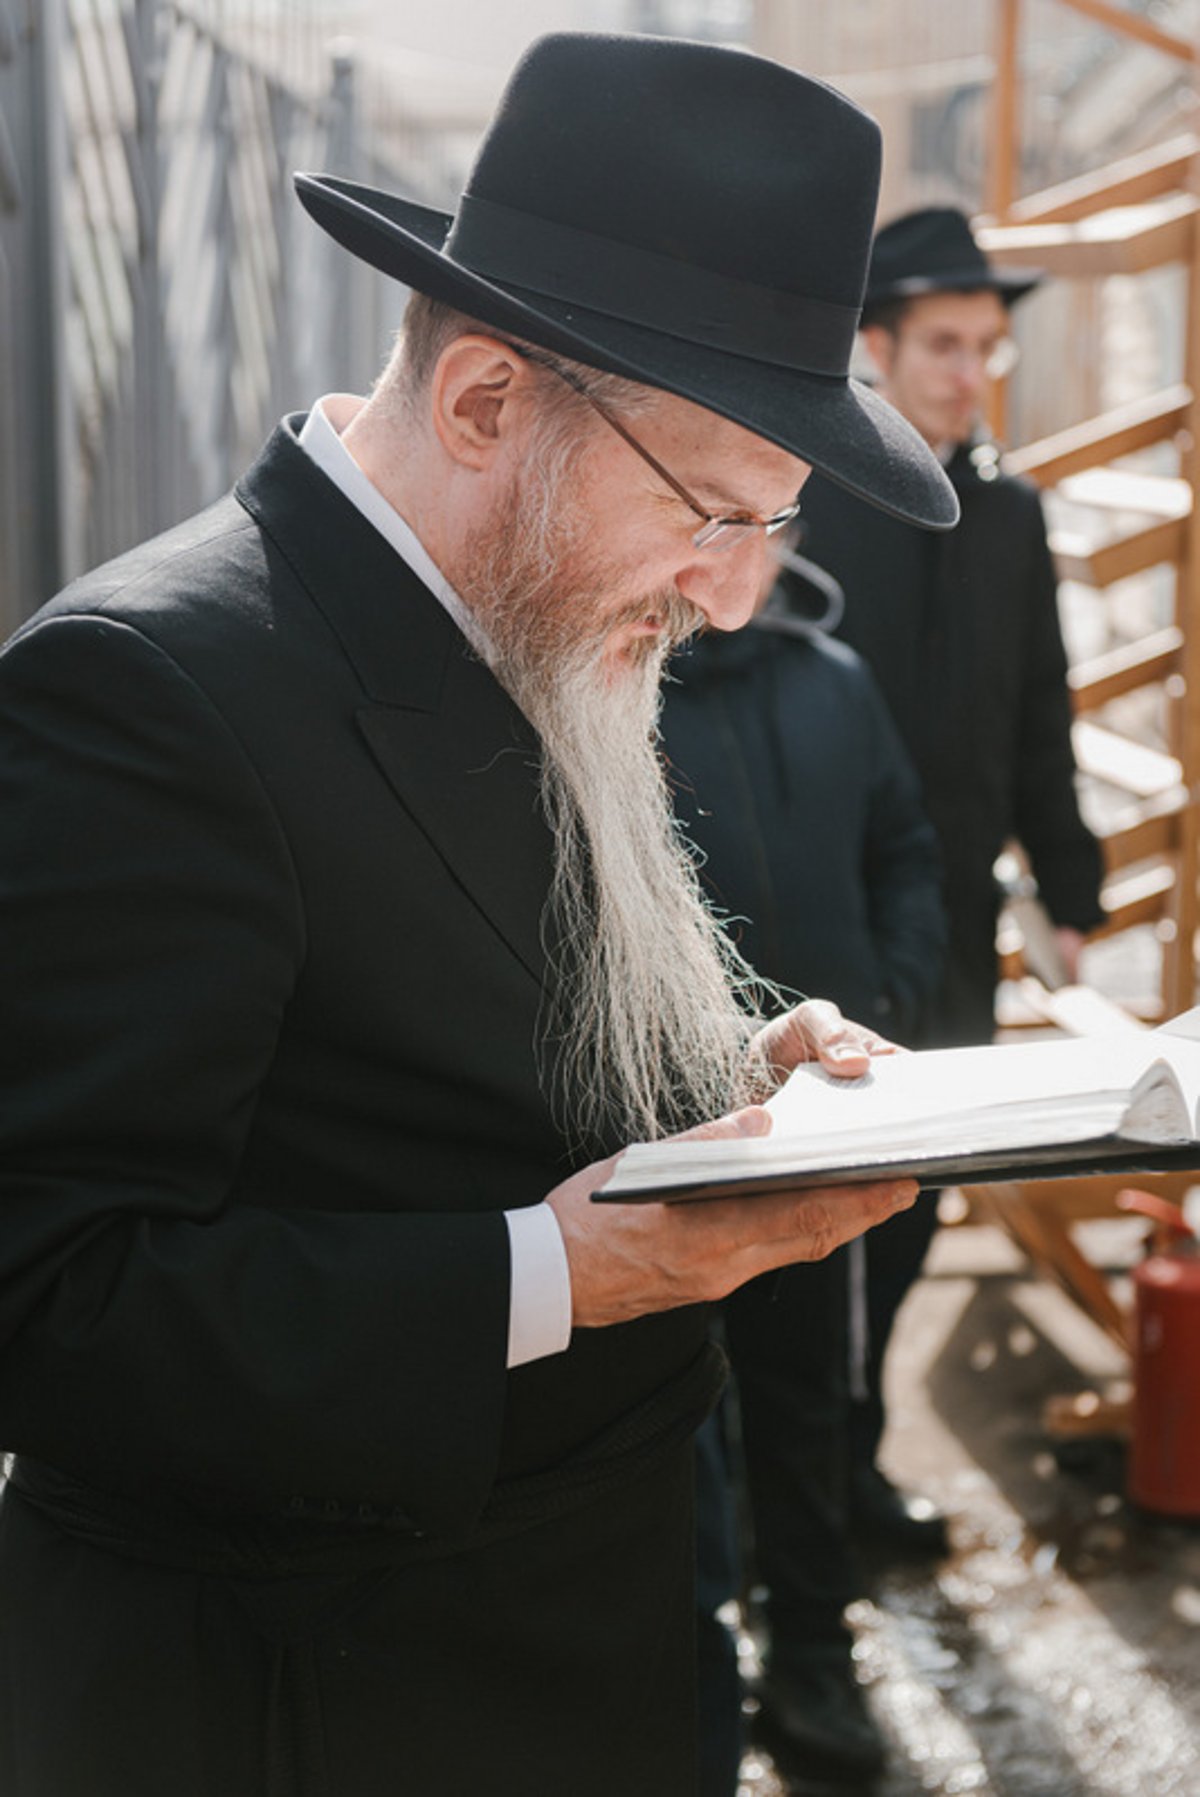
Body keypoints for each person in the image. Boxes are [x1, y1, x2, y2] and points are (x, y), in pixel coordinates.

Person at [0, 33, 960, 1797]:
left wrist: (728, 1088)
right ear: (488, 406)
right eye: (711, 513)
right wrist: (563, 1271)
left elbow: (427, 1042)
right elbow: (53, 1304)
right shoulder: (144, 690)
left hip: (585, 1644)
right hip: (309, 1702)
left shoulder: (526, 616)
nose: (733, 600)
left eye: (772, 528)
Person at [797, 206, 1106, 1572]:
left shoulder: (1013, 511)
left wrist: (1074, 878)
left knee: (918, 1208)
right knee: (810, 1228)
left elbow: (1041, 708)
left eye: (986, 345)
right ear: (876, 344)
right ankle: (786, 1499)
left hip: (964, 923)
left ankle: (846, 1471)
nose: (968, 369)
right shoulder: (808, 498)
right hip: (824, 917)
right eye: (942, 342)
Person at [664, 552, 947, 1785]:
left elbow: (908, 849)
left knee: (806, 1398)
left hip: (829, 1123)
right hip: (668, 1131)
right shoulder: (607, 691)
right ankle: (694, 1662)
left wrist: (889, 994)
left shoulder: (837, 680)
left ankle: (815, 1660)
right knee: (675, 1415)